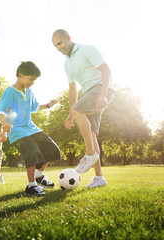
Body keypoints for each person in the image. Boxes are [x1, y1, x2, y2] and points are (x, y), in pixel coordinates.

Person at [52, 29, 114, 188]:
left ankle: (90, 154)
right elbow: (72, 90)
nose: (59, 48)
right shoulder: (67, 64)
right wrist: (70, 113)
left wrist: (103, 94)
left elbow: (106, 70)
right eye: (55, 46)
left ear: (68, 38)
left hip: (101, 89)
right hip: (89, 94)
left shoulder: (87, 49)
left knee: (79, 111)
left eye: (60, 43)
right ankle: (99, 178)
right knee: (92, 135)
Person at [0, 61, 61, 196]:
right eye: (31, 79)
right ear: (20, 75)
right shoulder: (10, 91)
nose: (32, 82)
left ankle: (39, 176)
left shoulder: (29, 91)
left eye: (34, 80)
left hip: (31, 128)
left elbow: (34, 107)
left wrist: (48, 105)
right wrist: (5, 123)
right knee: (32, 151)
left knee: (52, 149)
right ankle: (31, 186)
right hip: (17, 130)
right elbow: (1, 110)